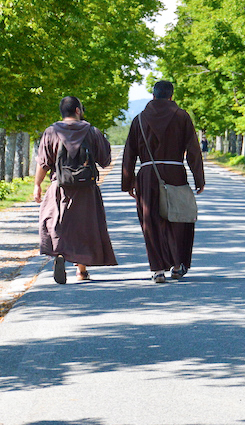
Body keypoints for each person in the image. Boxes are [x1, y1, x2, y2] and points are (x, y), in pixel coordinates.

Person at [121, 80, 205, 283]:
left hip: (148, 174)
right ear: (171, 96)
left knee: (151, 222)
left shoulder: (139, 119)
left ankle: (157, 269)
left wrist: (128, 182)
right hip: (175, 172)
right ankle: (177, 266)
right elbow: (193, 150)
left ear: (153, 96)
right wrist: (199, 178)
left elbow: (129, 153)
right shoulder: (182, 116)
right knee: (178, 218)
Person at [34, 96, 117, 283]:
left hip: (60, 187)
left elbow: (43, 163)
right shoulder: (92, 131)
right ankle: (81, 270)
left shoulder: (50, 132)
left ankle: (60, 253)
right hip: (86, 188)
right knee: (84, 227)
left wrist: (37, 185)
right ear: (78, 111)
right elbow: (105, 160)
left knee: (56, 222)